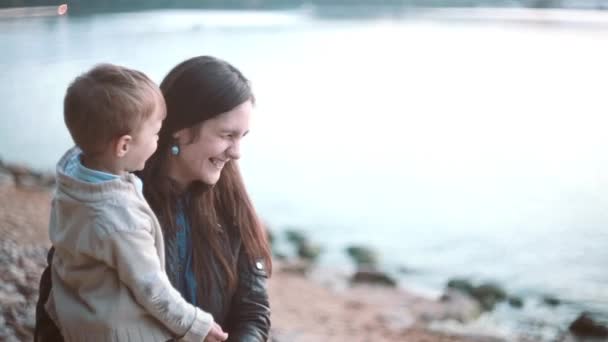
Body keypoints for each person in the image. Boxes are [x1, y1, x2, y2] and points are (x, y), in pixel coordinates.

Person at [35, 56, 272, 342]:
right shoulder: (113, 206)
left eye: (242, 136)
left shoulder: (230, 200)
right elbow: (59, 302)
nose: (236, 152)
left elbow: (253, 310)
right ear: (179, 129)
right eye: (227, 135)